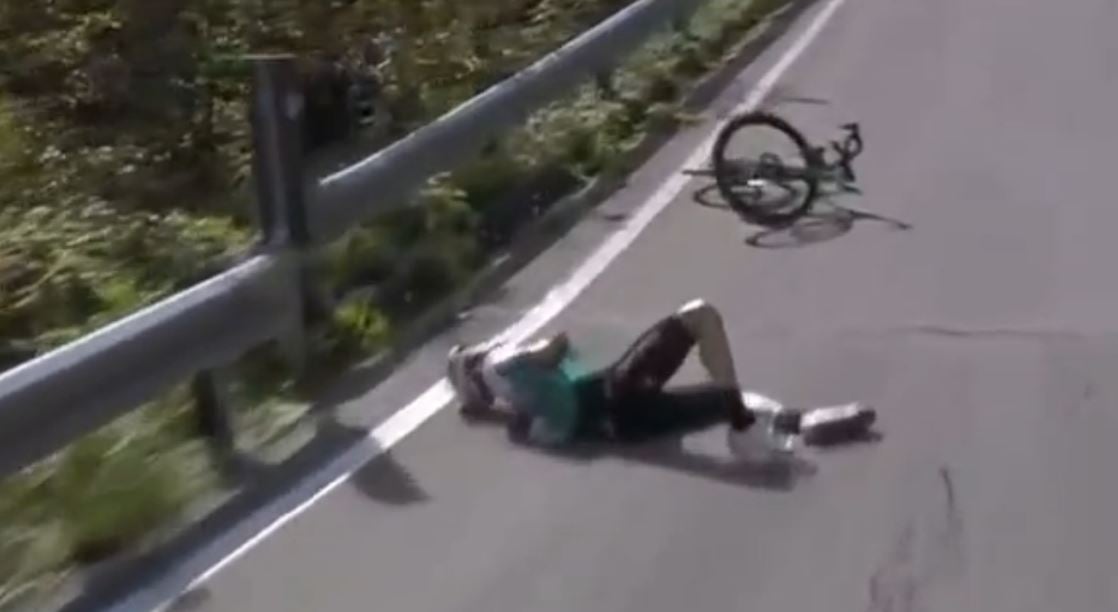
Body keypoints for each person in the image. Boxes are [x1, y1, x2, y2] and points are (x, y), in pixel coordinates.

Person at [447, 299, 844, 456]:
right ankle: (770, 423)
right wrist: (553, 349)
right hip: (616, 390)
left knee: (714, 401)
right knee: (699, 315)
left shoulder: (522, 421)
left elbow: (556, 422)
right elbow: (552, 347)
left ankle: (797, 425)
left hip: (625, 425)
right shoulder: (496, 363)